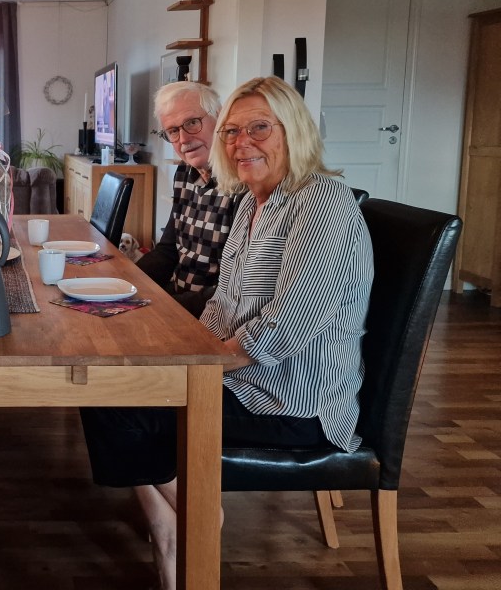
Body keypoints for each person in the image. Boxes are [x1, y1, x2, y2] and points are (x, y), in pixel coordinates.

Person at [81, 77, 374, 590]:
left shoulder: (321, 202)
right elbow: (222, 304)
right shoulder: (256, 201)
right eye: (233, 132)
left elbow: (286, 326)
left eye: (259, 128)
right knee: (109, 381)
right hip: (243, 380)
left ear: (294, 130)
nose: (242, 143)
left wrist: (193, 370)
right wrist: (182, 356)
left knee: (116, 400)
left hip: (293, 403)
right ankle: (171, 520)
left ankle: (194, 517)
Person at [136, 82, 239, 317]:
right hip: (177, 299)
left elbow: (233, 290)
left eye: (192, 123)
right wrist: (126, 284)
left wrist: (164, 310)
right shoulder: (184, 172)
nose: (183, 139)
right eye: (173, 131)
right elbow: (168, 250)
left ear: (220, 118)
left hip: (212, 315)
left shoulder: (242, 183)